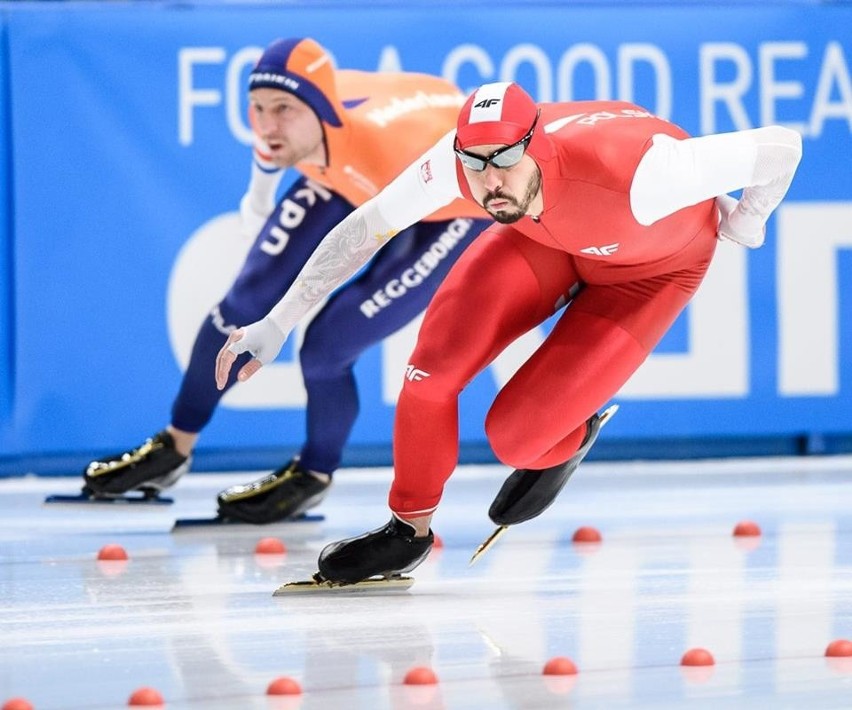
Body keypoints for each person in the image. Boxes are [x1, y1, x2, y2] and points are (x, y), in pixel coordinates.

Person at [215, 81, 803, 581]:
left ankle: (570, 439)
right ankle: (407, 530)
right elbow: (364, 231)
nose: (488, 181)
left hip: (649, 274)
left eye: (502, 161)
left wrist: (748, 222)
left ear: (538, 146)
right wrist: (278, 321)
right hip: (543, 236)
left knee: (516, 439)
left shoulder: (651, 175)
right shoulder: (467, 163)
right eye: (474, 165)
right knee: (429, 372)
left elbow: (781, 146)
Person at [81, 37, 491, 524]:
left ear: (316, 111)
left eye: (282, 110)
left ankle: (313, 474)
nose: (268, 124)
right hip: (345, 165)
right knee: (244, 300)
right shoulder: (294, 123)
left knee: (327, 344)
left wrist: (281, 321)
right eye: (257, 108)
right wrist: (257, 198)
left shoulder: (386, 151)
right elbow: (275, 133)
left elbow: (364, 241)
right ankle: (175, 446)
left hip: (451, 201)